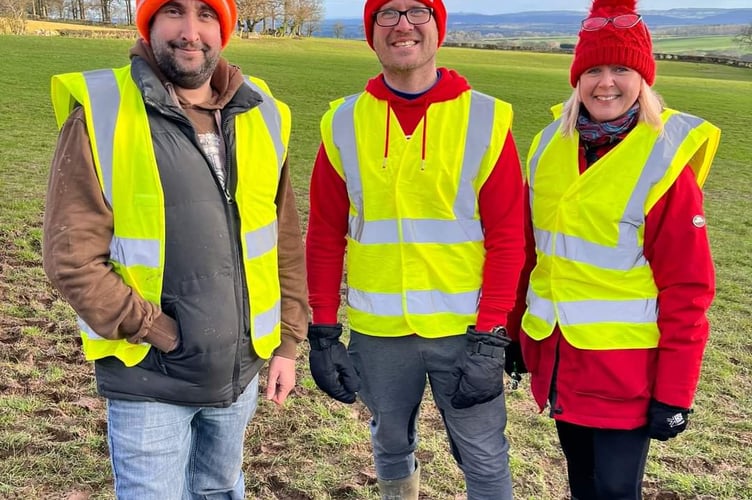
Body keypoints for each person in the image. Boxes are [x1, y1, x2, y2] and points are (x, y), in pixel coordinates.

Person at [43, 0, 308, 497]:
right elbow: (71, 257)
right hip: (150, 376)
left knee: (220, 490)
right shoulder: (103, 110)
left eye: (207, 14)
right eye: (173, 11)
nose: (191, 31)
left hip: (240, 373)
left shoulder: (263, 112)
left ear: (224, 28)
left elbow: (283, 241)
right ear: (148, 23)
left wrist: (287, 343)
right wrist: (158, 332)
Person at [305, 0, 527, 498]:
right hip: (378, 330)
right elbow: (323, 235)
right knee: (388, 444)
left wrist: (493, 335)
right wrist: (322, 332)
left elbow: (509, 236)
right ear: (371, 31)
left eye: (417, 11)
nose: (403, 24)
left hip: (466, 331)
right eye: (387, 13)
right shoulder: (343, 122)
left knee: (485, 457)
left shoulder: (485, 118)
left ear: (437, 26)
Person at [517, 0, 721, 498]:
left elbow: (688, 287)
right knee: (582, 485)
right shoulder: (548, 146)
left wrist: (676, 392)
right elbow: (532, 252)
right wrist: (515, 332)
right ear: (576, 77)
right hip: (563, 358)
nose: (605, 83)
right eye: (593, 70)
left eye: (621, 69)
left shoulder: (663, 160)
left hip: (628, 373)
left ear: (643, 78)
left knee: (614, 491)